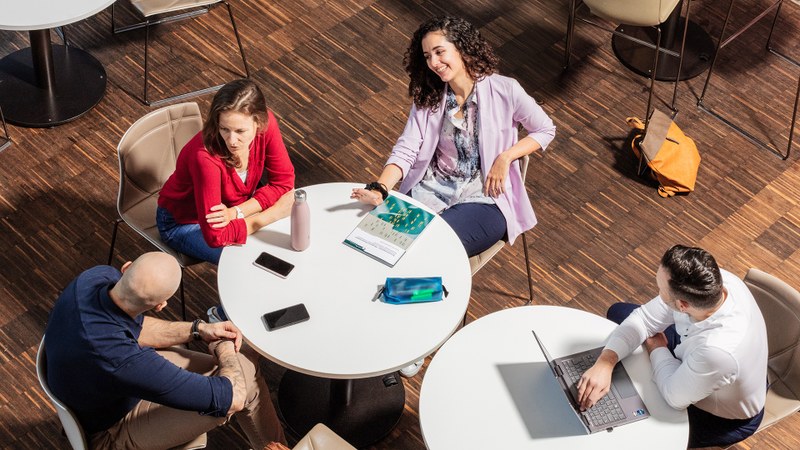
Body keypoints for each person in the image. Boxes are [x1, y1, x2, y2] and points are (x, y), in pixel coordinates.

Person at [351, 16, 556, 258]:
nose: (434, 63)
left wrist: (506, 157)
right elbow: (407, 149)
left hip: (485, 197)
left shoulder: (505, 89)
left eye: (440, 52)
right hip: (429, 189)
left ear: (462, 48)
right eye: (427, 56)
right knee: (372, 242)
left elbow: (545, 129)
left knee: (431, 251)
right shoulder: (428, 96)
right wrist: (381, 188)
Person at [43, 252, 286, 449]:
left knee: (240, 371)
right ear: (161, 305)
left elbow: (137, 329)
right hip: (108, 433)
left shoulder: (95, 278)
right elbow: (232, 399)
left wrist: (199, 329)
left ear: (126, 268)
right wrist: (224, 348)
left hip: (100, 389)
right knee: (246, 378)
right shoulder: (124, 360)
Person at [578, 245, 768, 448]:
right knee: (620, 313)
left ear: (683, 305)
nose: (658, 294)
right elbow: (644, 319)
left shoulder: (718, 351)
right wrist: (605, 362)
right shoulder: (714, 282)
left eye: (662, 291)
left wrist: (656, 348)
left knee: (637, 437)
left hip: (721, 415)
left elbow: (672, 396)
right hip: (707, 357)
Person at [157, 79, 295, 265]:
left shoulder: (267, 125)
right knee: (250, 264)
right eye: (224, 129)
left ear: (259, 122)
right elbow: (216, 236)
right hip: (183, 223)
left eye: (240, 131)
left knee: (287, 244)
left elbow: (284, 183)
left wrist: (235, 212)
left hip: (231, 210)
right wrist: (273, 214)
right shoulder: (205, 157)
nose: (232, 140)